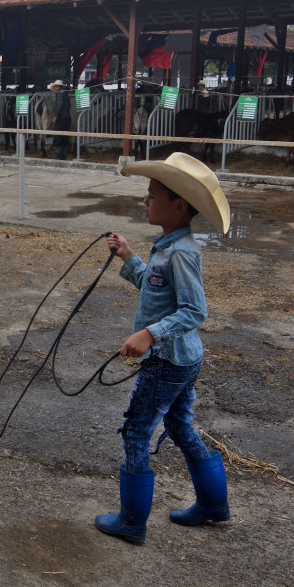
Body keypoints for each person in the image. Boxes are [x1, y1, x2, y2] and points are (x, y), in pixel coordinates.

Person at [95, 152, 232, 544]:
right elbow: (156, 288)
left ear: (178, 205)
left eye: (152, 194)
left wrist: (149, 335)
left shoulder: (183, 252)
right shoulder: (167, 247)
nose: (145, 200)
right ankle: (212, 504)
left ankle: (132, 521)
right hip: (184, 359)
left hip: (167, 362)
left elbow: (195, 309)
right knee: (179, 425)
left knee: (137, 432)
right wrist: (128, 256)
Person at [49, 79, 72, 159]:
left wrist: (55, 116)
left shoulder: (59, 94)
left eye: (55, 87)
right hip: (67, 118)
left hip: (61, 119)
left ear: (56, 87)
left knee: (58, 137)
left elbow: (59, 105)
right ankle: (63, 156)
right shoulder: (65, 94)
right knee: (64, 137)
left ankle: (57, 157)